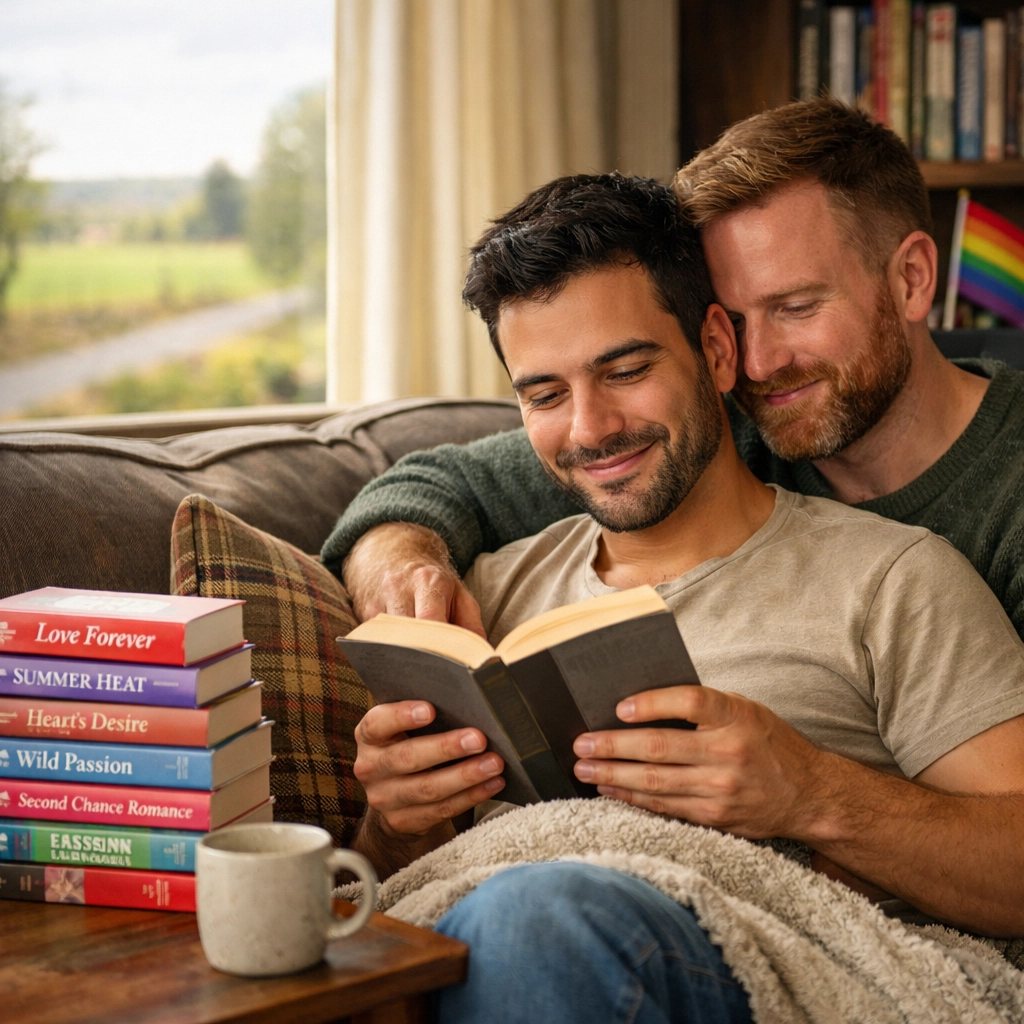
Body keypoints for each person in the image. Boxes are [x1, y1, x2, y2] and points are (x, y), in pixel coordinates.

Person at [348, 173, 1024, 1023]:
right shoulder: (479, 601)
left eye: (626, 370)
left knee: (534, 918)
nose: (591, 430)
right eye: (545, 395)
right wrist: (396, 826)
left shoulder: (893, 581)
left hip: (759, 967)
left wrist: (810, 792)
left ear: (714, 348)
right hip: (501, 955)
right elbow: (379, 903)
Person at [324, 100, 1024, 650]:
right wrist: (401, 571)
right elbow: (431, 487)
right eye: (733, 323)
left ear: (911, 279)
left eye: (796, 307)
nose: (755, 365)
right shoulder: (711, 429)